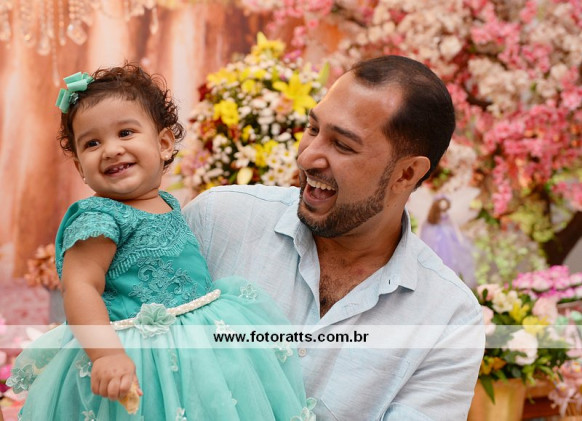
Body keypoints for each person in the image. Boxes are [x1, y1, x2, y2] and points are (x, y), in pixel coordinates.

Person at [183, 55, 485, 420]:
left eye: (342, 145)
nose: (308, 157)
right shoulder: (218, 221)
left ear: (406, 174)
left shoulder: (448, 319)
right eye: (313, 129)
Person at [7, 64, 314, 420]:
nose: (110, 150)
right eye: (92, 143)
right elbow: (80, 288)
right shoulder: (99, 218)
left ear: (164, 144)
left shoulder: (166, 202)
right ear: (80, 167)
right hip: (139, 361)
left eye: (125, 132)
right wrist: (106, 354)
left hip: (199, 352)